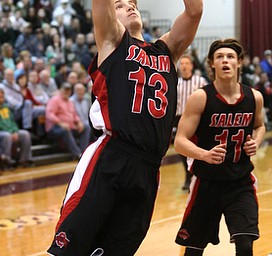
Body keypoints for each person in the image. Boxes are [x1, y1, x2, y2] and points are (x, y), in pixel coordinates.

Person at [47, 0, 203, 255]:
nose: (130, 7)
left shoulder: (167, 50)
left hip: (148, 167)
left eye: (133, 4)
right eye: (120, 5)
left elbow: (194, 11)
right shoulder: (112, 41)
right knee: (70, 248)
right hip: (110, 157)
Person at [174, 39, 266, 256]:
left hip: (240, 181)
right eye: (220, 57)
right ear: (212, 64)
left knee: (245, 244)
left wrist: (256, 141)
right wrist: (204, 154)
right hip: (206, 183)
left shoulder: (254, 97)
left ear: (239, 62)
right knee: (193, 250)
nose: (225, 60)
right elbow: (180, 141)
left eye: (230, 57)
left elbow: (260, 125)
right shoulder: (200, 97)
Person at [174, 54, 207, 190]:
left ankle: (198, 175)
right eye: (182, 64)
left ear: (192, 66)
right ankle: (188, 176)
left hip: (198, 118)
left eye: (186, 63)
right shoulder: (176, 83)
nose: (184, 66)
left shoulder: (200, 81)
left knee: (198, 146)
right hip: (180, 117)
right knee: (182, 149)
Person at [0, 88, 33, 168]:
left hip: (8, 130)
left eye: (1, 97)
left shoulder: (5, 107)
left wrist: (14, 131)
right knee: (6, 136)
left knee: (25, 134)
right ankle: (6, 162)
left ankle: (24, 160)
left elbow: (12, 121)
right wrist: (10, 132)